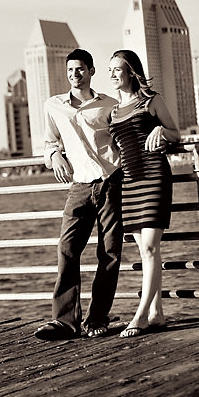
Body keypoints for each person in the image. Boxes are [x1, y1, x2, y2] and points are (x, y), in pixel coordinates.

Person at [34, 49, 123, 340]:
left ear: (91, 71)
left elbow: (124, 138)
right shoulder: (54, 105)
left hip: (110, 182)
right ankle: (65, 321)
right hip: (80, 186)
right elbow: (49, 141)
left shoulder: (110, 105)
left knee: (109, 253)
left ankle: (98, 318)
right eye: (71, 70)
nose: (75, 74)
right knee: (67, 250)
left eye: (81, 69)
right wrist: (54, 155)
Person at [107, 49, 180, 338]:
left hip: (154, 177)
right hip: (130, 181)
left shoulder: (151, 100)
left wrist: (162, 131)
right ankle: (157, 313)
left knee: (149, 249)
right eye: (109, 69)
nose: (112, 74)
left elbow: (177, 134)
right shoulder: (113, 111)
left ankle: (139, 316)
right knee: (146, 251)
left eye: (117, 69)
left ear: (130, 72)